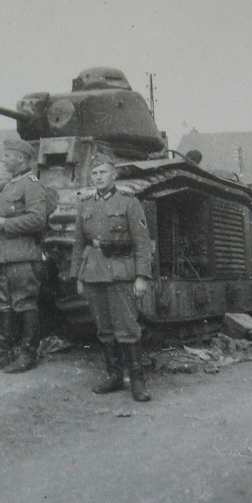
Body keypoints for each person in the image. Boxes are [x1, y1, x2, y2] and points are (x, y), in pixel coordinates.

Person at [71, 154, 154, 401]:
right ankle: (114, 376)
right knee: (104, 329)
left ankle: (137, 381)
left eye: (103, 172)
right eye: (94, 173)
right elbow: (78, 245)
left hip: (121, 273)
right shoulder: (85, 205)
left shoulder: (129, 202)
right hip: (93, 273)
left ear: (114, 175)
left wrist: (141, 276)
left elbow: (142, 243)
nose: (98, 177)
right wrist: (78, 276)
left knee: (127, 328)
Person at [0, 137, 49, 374]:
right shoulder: (10, 185)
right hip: (2, 255)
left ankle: (28, 354)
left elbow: (38, 219)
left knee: (25, 303)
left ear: (21, 158)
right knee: (3, 303)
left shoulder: (31, 185)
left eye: (7, 156)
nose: (4, 160)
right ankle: (2, 353)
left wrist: (5, 223)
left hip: (22, 255)